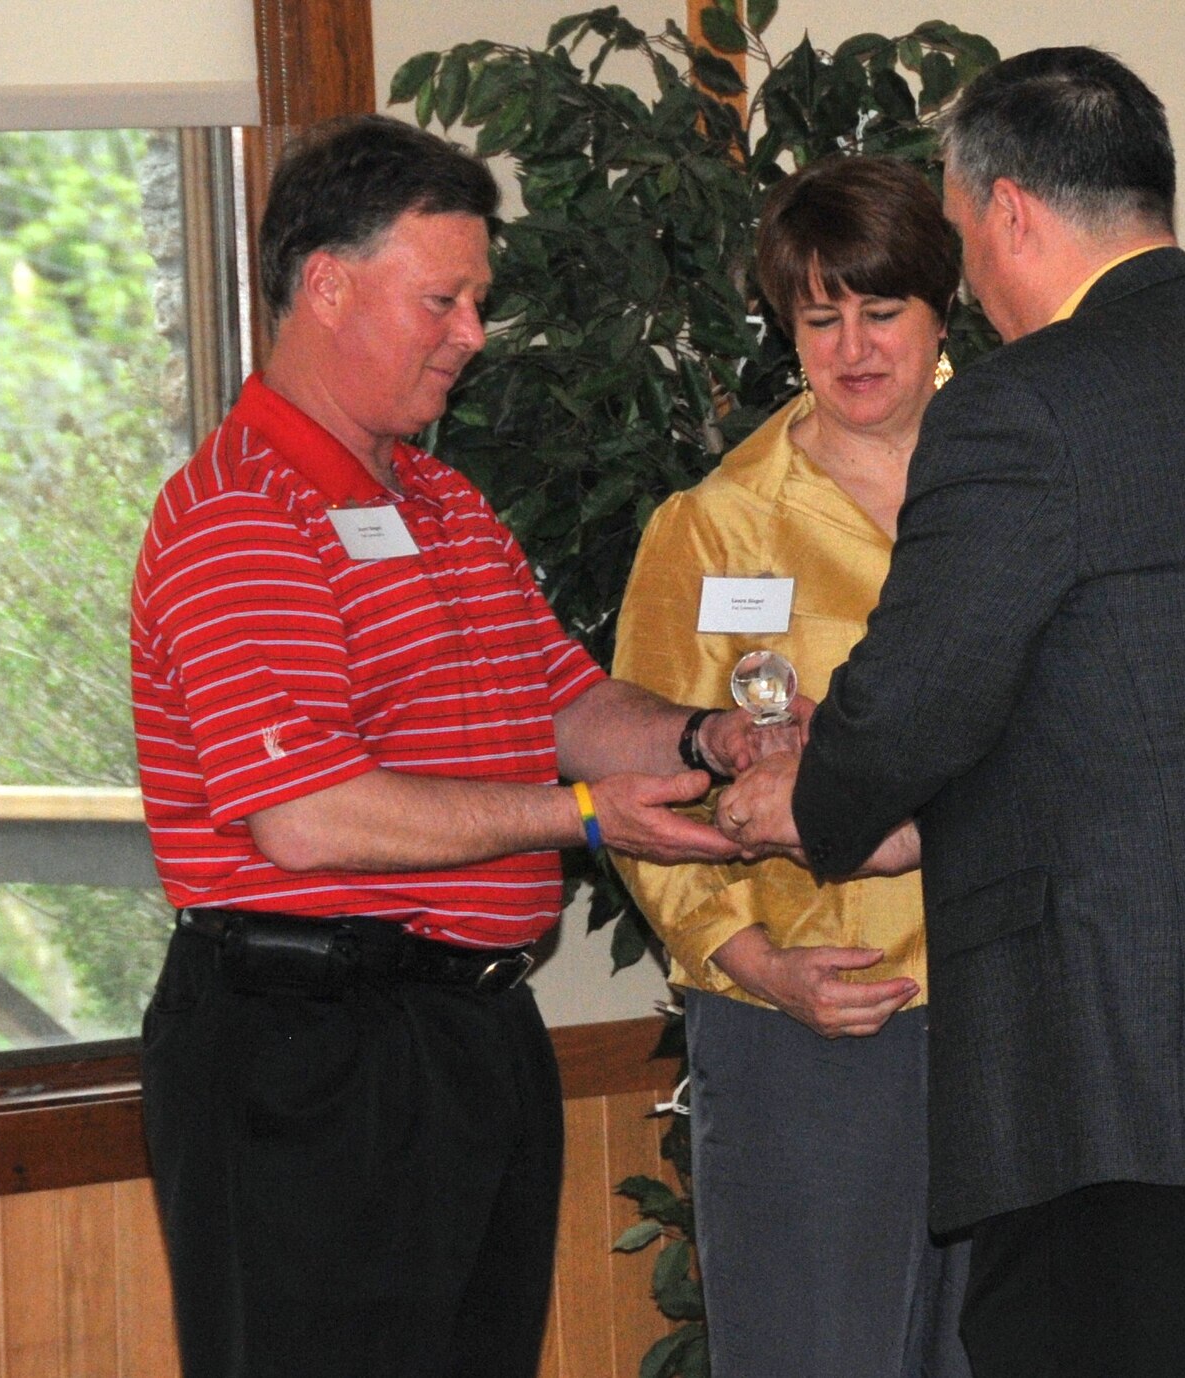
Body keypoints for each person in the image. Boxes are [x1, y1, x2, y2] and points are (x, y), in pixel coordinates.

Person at [716, 47, 1185, 1378]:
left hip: (1125, 1087)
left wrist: (821, 802)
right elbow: (1152, 725)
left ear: (1008, 213)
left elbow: (917, 697)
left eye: (954, 231)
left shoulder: (1024, 406)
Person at [129, 114, 774, 1378]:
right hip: (303, 1055)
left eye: (478, 298)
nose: (473, 333)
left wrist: (712, 739)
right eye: (445, 298)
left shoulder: (442, 500)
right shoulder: (240, 512)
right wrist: (583, 817)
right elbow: (308, 815)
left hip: (468, 1039)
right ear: (325, 283)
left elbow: (566, 703)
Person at [610, 155, 969, 1378]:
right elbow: (648, 781)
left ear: (940, 311)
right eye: (821, 318)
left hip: (1015, 1016)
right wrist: (751, 962)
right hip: (804, 1029)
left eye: (883, 312)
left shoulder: (1026, 483)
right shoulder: (712, 526)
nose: (855, 348)